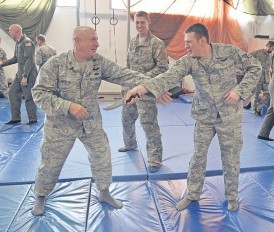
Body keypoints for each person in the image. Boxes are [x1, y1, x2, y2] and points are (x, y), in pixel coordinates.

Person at [124, 23, 261, 211]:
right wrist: (141, 88)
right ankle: (192, 193)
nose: (186, 46)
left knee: (231, 158)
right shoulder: (188, 61)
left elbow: (255, 67)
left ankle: (232, 196)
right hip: (204, 116)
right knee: (198, 156)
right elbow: (167, 77)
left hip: (229, 116)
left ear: (202, 40)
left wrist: (240, 91)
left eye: (189, 42)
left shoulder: (228, 52)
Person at [31, 26, 150, 216]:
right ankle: (41, 195)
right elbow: (38, 93)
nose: (97, 43)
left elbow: (125, 74)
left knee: (102, 157)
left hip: (91, 123)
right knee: (51, 163)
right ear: (78, 42)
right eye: (93, 39)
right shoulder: (56, 64)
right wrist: (68, 106)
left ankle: (104, 192)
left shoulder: (98, 63)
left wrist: (155, 83)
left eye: (97, 39)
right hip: (60, 125)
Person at [118, 11, 169, 173]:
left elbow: (162, 67)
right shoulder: (132, 42)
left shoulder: (156, 43)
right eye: (137, 23)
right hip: (130, 90)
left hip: (146, 91)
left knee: (149, 125)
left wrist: (142, 80)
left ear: (149, 22)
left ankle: (155, 159)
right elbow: (128, 64)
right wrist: (124, 84)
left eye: (142, 22)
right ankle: (130, 144)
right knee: (126, 119)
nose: (139, 26)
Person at [0, 24, 38, 125]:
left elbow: (30, 60)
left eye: (10, 31)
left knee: (28, 95)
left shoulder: (27, 42)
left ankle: (32, 118)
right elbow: (15, 58)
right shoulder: (18, 43)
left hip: (28, 73)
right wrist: (2, 63)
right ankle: (16, 118)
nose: (9, 33)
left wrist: (25, 76)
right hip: (19, 73)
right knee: (12, 92)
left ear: (16, 31)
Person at [250, 41, 274, 116]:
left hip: (266, 78)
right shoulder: (256, 52)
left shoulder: (271, 55)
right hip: (257, 77)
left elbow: (272, 67)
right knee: (256, 94)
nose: (273, 50)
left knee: (269, 94)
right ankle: (254, 110)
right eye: (272, 48)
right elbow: (246, 59)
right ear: (268, 46)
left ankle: (258, 108)